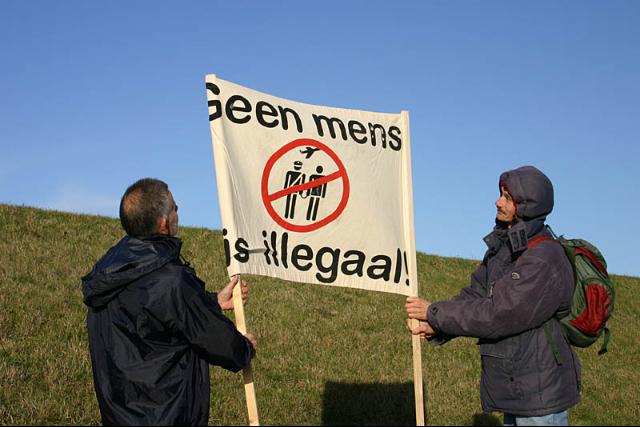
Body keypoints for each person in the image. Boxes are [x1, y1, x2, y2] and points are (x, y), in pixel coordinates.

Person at [406, 165, 581, 426]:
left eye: (508, 197)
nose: (497, 201)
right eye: (501, 193)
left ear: (528, 205)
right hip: (518, 389)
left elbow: (499, 313)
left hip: (539, 397)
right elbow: (475, 294)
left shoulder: (543, 258)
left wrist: (434, 312)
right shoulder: (505, 247)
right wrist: (436, 326)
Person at [82, 178, 256, 426]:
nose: (178, 212)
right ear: (164, 223)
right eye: (175, 207)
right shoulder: (171, 279)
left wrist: (213, 302)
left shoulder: (109, 272)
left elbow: (152, 313)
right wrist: (244, 347)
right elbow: (222, 344)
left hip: (118, 416)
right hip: (166, 415)